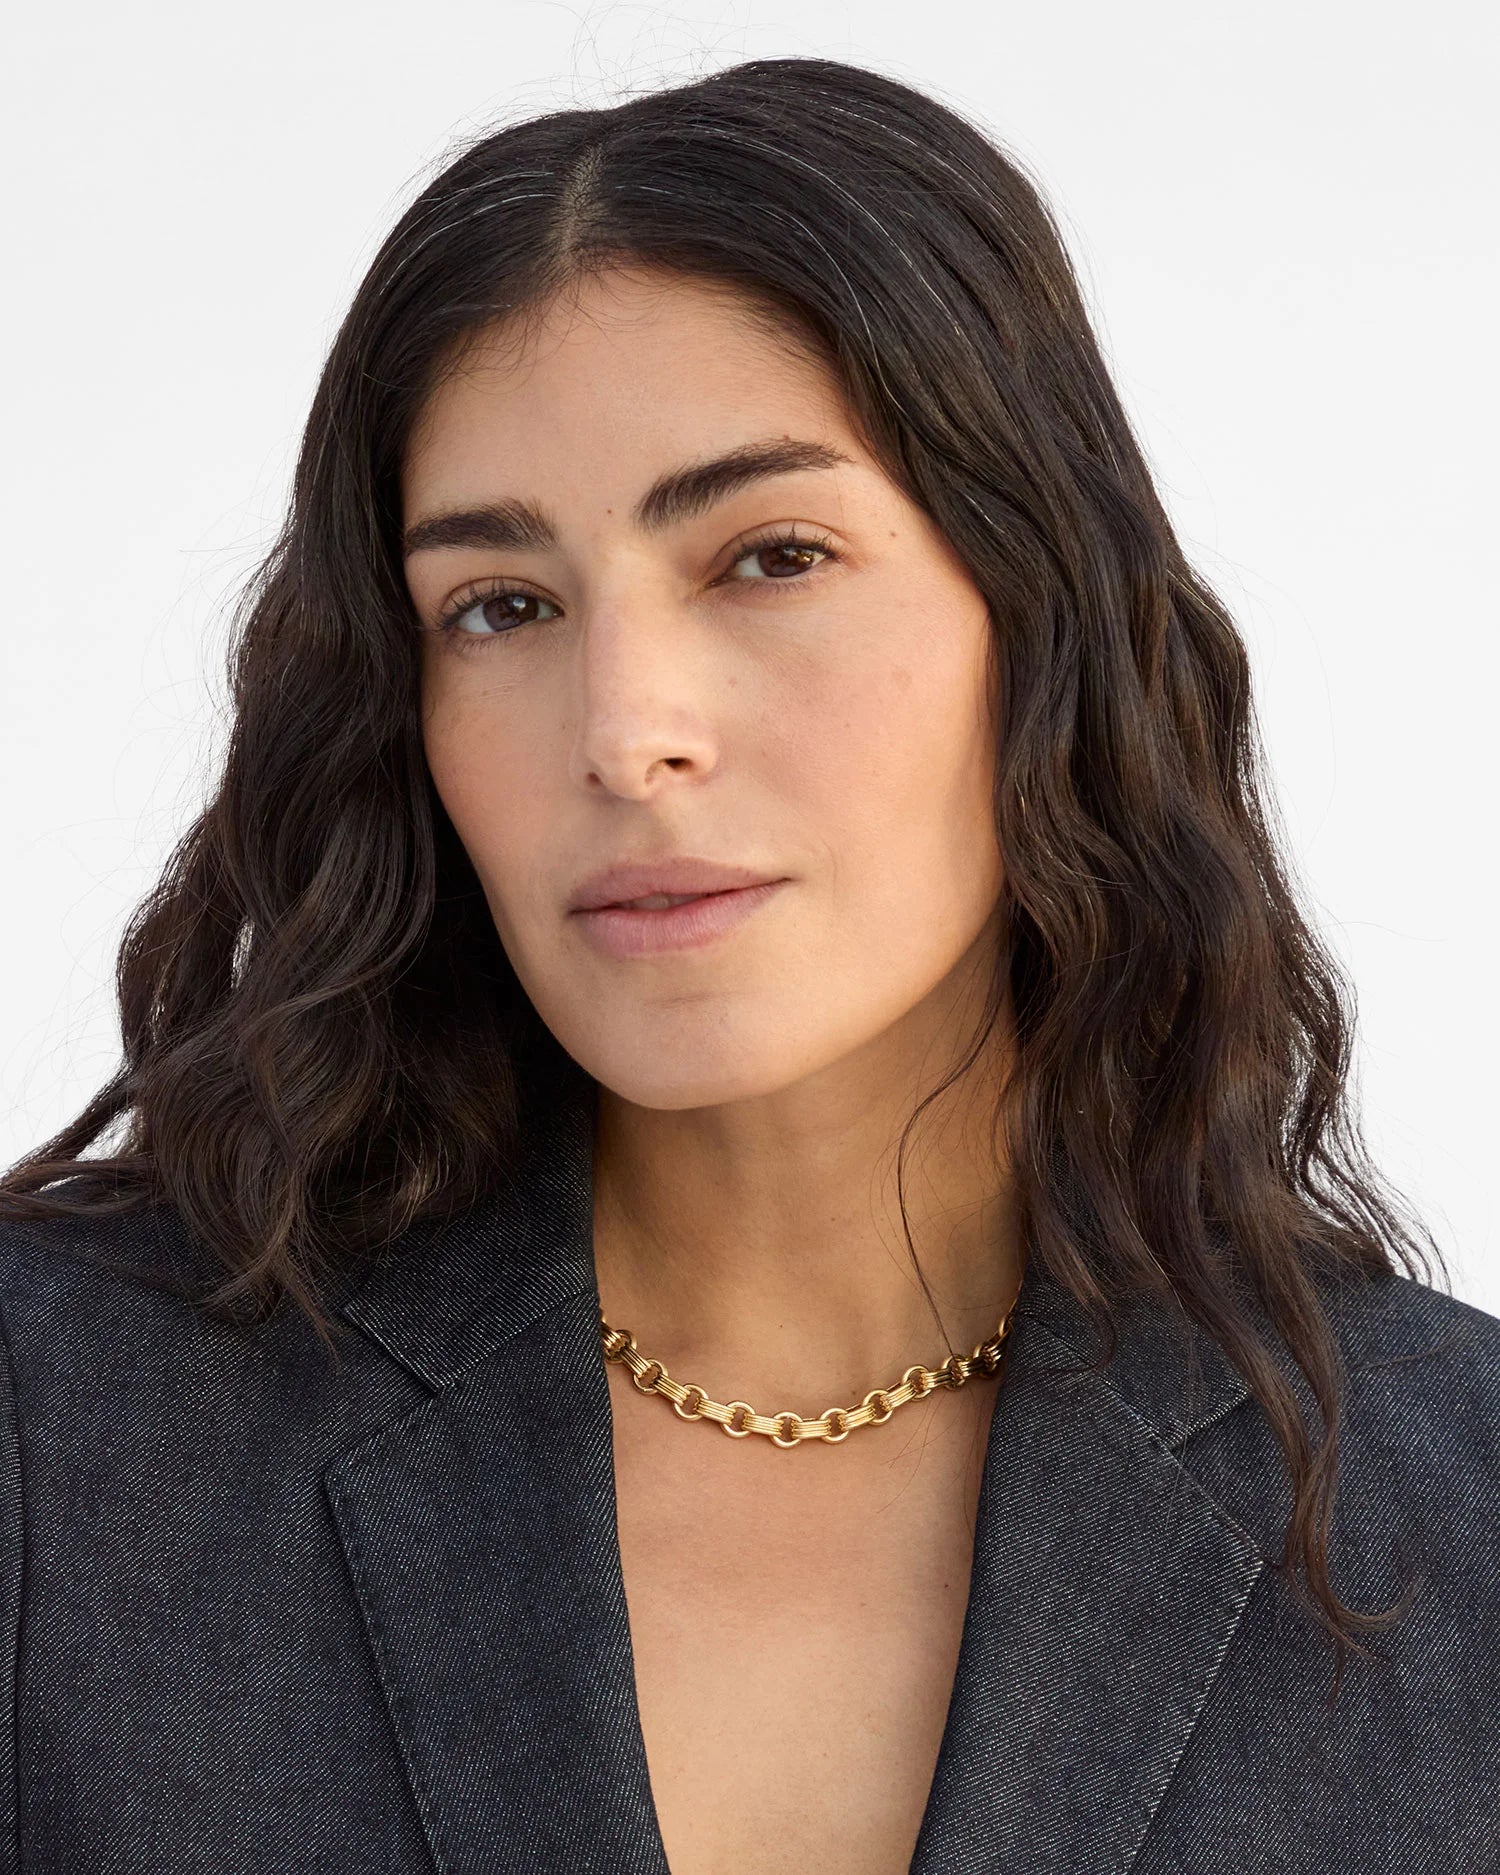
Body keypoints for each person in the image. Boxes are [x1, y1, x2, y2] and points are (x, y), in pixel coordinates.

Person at [0, 53, 1495, 1875]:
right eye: (501, 606)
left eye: (771, 557)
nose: (626, 734)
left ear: (1044, 620)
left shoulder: (1463, 1513)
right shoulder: (56, 1430)